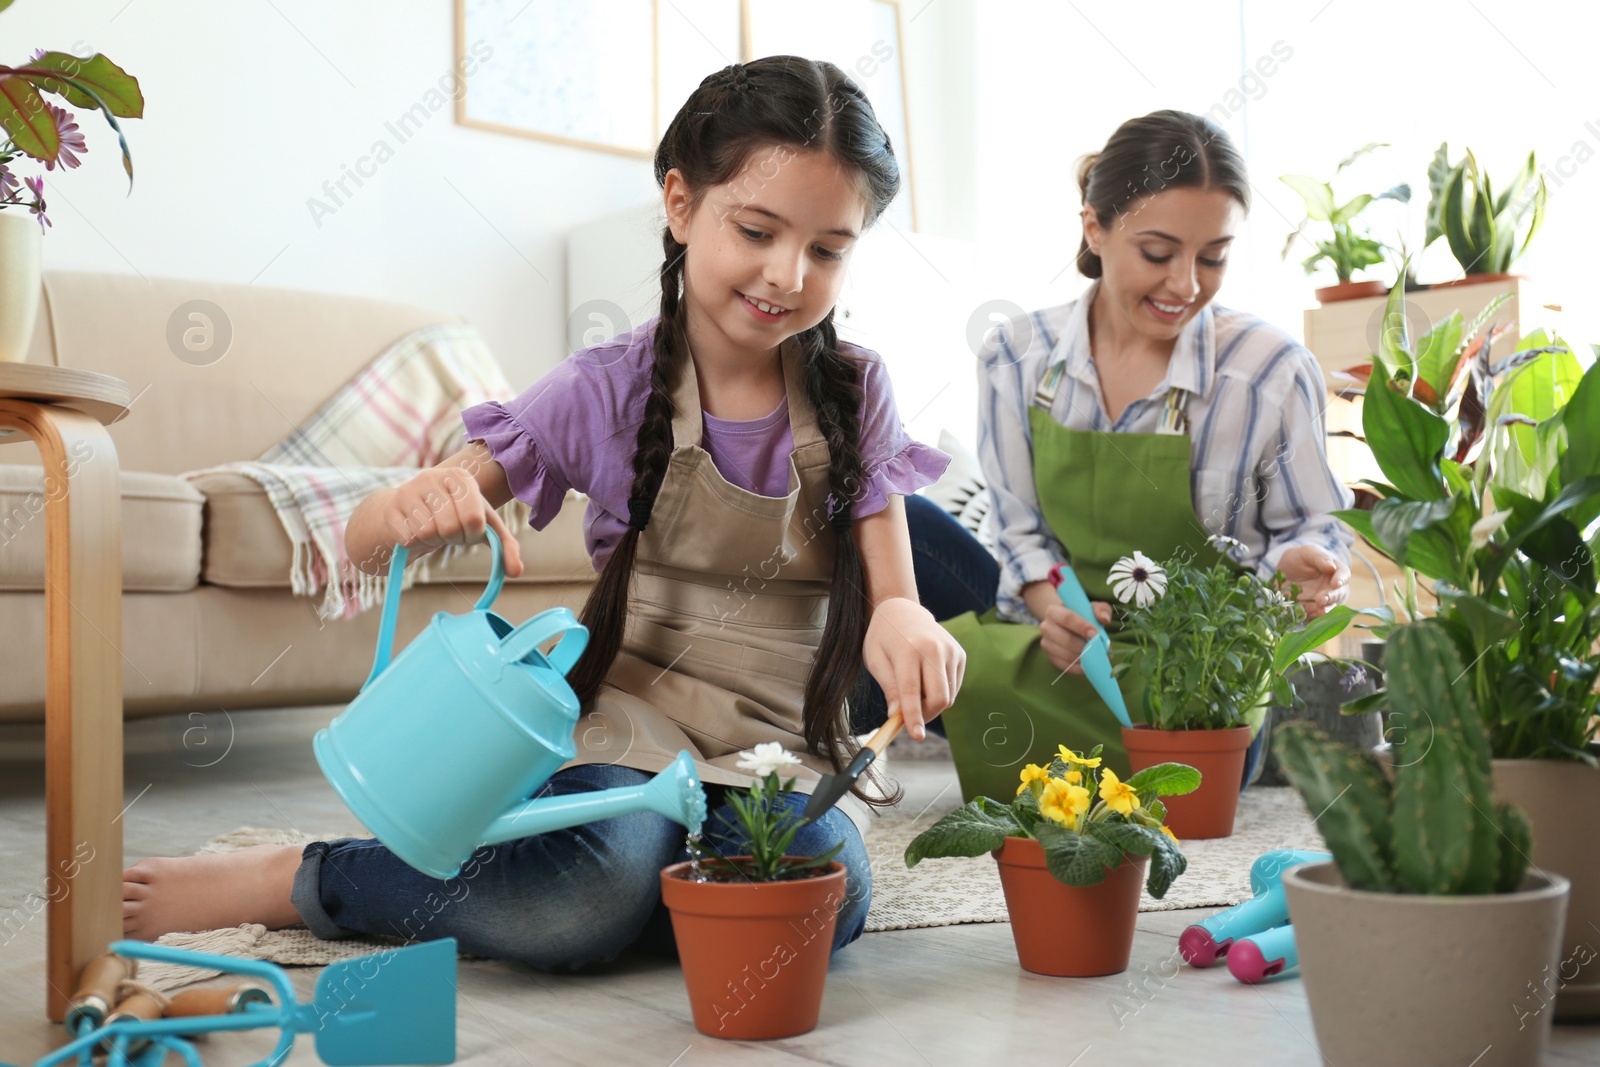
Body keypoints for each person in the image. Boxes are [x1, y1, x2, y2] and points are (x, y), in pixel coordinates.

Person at [121, 57, 965, 967]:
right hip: (633, 728)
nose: (786, 274)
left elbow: (893, 590)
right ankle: (308, 877)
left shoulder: (855, 387)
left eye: (828, 249)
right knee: (585, 890)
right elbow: (366, 542)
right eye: (756, 229)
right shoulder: (603, 387)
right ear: (680, 204)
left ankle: (630, 886)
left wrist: (905, 617)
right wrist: (406, 505)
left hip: (779, 743)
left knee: (820, 905)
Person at [935, 110, 1353, 804]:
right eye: (1158, 253)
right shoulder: (1015, 356)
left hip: (1199, 694)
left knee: (1189, 770)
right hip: (1060, 656)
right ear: (1094, 229)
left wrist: (1303, 562)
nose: (1186, 284)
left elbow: (1313, 528)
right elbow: (1019, 530)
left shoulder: (1269, 370)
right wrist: (1051, 608)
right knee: (905, 528)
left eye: (1213, 256)